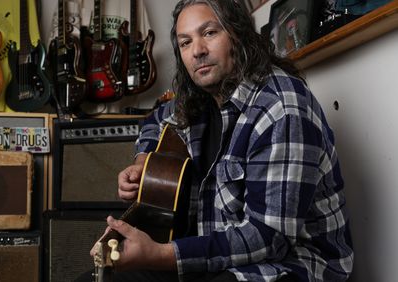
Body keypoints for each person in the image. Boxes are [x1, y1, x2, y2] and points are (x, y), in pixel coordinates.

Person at [87, 0, 354, 281]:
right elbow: (156, 120)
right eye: (185, 42)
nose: (197, 51)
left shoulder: (282, 108)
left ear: (237, 35)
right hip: (216, 250)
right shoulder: (200, 99)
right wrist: (143, 160)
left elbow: (268, 238)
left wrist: (160, 254)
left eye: (210, 33)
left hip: (290, 265)